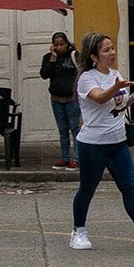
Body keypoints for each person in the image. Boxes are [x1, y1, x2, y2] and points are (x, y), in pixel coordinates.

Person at [69, 32, 134, 252]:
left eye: (112, 48)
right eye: (106, 50)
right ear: (94, 56)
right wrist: (117, 88)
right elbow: (99, 98)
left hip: (117, 142)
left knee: (129, 187)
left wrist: (133, 98)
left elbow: (116, 105)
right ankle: (78, 231)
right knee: (87, 189)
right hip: (92, 144)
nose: (112, 53)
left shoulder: (115, 74)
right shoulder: (88, 78)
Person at [40, 31, 81, 170]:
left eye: (61, 44)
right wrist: (53, 58)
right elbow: (44, 74)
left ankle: (77, 158)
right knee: (62, 129)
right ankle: (64, 158)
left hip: (71, 98)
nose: (59, 47)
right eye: (56, 45)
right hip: (56, 98)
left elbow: (84, 72)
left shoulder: (74, 56)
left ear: (67, 43)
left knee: (75, 128)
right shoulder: (49, 57)